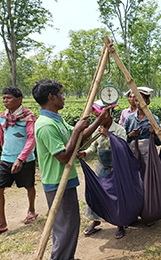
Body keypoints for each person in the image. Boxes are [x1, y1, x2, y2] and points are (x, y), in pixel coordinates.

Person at [32, 78, 111, 260]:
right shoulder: (46, 125)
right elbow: (63, 156)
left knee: (69, 225)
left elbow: (81, 136)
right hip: (57, 182)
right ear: (51, 97)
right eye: (60, 94)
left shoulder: (57, 121)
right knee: (65, 227)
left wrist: (99, 118)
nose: (64, 98)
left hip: (66, 181)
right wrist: (75, 131)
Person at [78, 100, 127, 239]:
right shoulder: (97, 130)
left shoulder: (119, 130)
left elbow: (123, 148)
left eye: (100, 115)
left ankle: (120, 224)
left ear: (109, 114)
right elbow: (93, 147)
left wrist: (108, 136)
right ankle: (95, 220)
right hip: (101, 168)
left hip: (115, 169)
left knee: (117, 196)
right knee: (98, 194)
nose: (97, 119)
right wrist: (85, 153)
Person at [0, 87, 37, 234]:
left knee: (29, 186)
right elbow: (2, 137)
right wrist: (6, 152)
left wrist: (21, 158)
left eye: (8, 98)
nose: (5, 101)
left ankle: (32, 209)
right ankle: (2, 222)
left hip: (25, 160)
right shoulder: (3, 116)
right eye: (3, 98)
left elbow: (31, 138)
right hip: (6, 159)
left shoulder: (29, 117)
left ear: (19, 99)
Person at [123, 87, 160, 177]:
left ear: (147, 101)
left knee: (148, 178)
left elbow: (159, 142)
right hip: (132, 156)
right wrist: (131, 135)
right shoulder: (129, 119)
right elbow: (123, 139)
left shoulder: (154, 119)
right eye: (136, 100)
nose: (138, 103)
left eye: (141, 100)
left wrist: (154, 133)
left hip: (148, 157)